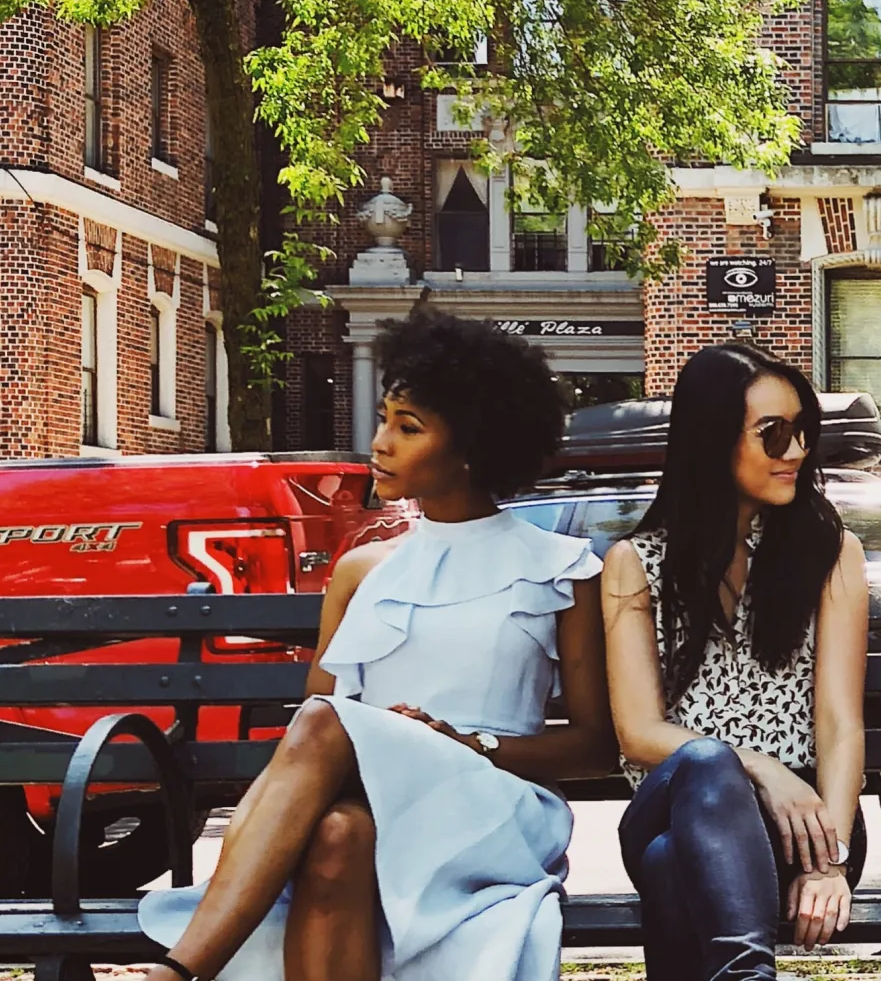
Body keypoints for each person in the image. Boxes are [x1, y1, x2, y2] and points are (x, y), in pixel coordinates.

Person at [137, 309, 615, 981]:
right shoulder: (364, 569)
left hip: (489, 810)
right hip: (372, 807)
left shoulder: (562, 568)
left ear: (474, 445)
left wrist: (463, 743)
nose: (380, 441)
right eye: (386, 418)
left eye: (408, 427)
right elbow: (314, 738)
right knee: (336, 834)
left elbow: (595, 746)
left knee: (329, 724)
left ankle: (181, 971)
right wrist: (392, 746)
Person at [601, 343, 870, 981]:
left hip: (805, 827)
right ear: (711, 439)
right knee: (704, 762)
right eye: (773, 435)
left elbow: (838, 720)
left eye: (803, 431)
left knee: (672, 867)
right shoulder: (637, 564)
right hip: (680, 800)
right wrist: (759, 768)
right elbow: (639, 733)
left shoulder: (831, 553)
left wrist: (827, 861)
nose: (797, 452)